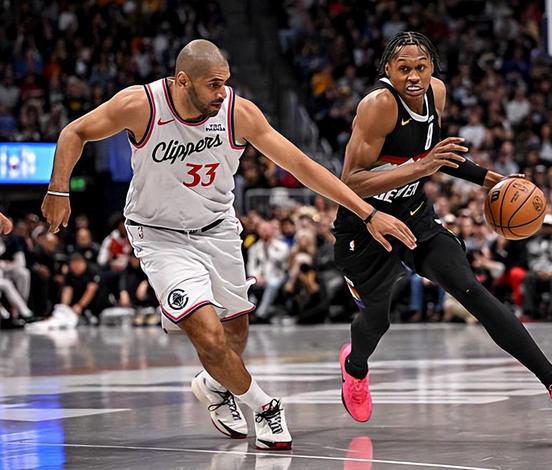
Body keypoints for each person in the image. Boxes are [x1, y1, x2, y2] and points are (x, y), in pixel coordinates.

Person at [41, 39, 416, 450]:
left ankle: (215, 386)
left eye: (225, 82)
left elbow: (302, 165)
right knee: (208, 335)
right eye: (214, 84)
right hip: (160, 235)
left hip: (218, 229)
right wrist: (59, 188)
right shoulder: (142, 104)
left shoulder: (238, 113)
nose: (223, 92)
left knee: (234, 336)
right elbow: (74, 131)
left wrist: (367, 212)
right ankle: (266, 407)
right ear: (183, 81)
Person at [332, 31, 552, 429]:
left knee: (473, 290)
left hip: (414, 216)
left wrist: (493, 180)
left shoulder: (436, 94)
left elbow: (438, 155)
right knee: (377, 319)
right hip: (365, 225)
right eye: (403, 69)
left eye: (421, 67)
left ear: (432, 68)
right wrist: (421, 167)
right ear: (388, 69)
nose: (413, 76)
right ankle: (355, 368)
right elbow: (350, 182)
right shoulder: (378, 106)